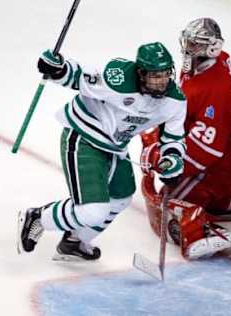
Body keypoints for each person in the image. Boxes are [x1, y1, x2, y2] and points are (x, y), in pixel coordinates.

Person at [17, 42, 187, 261]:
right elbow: (77, 76)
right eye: (155, 75)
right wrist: (57, 68)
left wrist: (173, 159)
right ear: (140, 73)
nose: (162, 81)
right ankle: (39, 217)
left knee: (121, 199)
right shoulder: (118, 77)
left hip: (115, 147)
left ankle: (74, 241)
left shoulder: (175, 100)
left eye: (165, 74)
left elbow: (173, 139)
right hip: (84, 137)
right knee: (92, 211)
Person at [140, 18, 231, 260]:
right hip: (226, 152)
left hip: (219, 166)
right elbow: (186, 106)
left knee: (169, 200)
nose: (188, 48)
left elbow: (206, 151)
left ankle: (206, 233)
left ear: (212, 48)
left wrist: (162, 158)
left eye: (195, 44)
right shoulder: (204, 66)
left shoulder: (219, 91)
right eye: (188, 41)